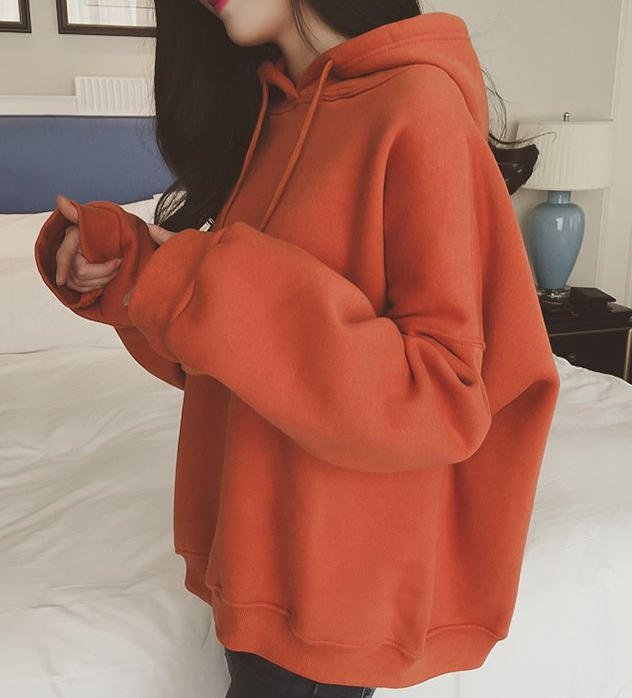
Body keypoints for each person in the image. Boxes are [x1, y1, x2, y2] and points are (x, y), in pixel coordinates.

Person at [34, 1, 560, 696]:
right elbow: (239, 365)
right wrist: (134, 273)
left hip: (329, 598)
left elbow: (441, 396)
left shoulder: (418, 105)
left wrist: (201, 280)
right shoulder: (275, 118)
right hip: (255, 567)